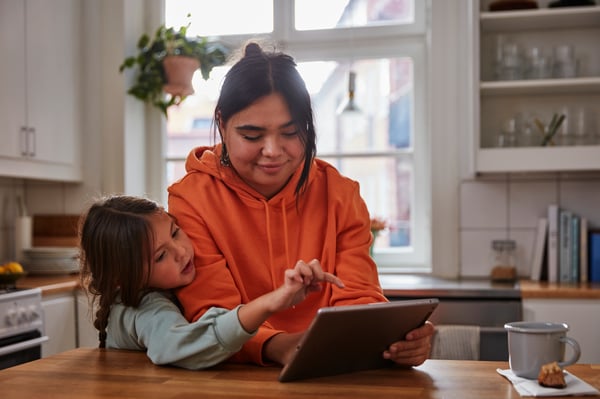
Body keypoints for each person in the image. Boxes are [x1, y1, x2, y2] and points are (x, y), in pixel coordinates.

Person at [168, 41, 434, 367]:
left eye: (291, 132)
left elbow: (358, 296)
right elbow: (210, 314)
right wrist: (278, 346)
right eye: (252, 136)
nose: (272, 150)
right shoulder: (191, 199)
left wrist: (389, 338)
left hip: (327, 368)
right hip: (232, 375)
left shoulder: (340, 194)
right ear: (222, 124)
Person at [78, 195, 343, 370]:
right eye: (161, 255)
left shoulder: (167, 286)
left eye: (175, 232)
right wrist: (268, 304)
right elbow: (176, 344)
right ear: (121, 278)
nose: (182, 251)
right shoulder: (142, 309)